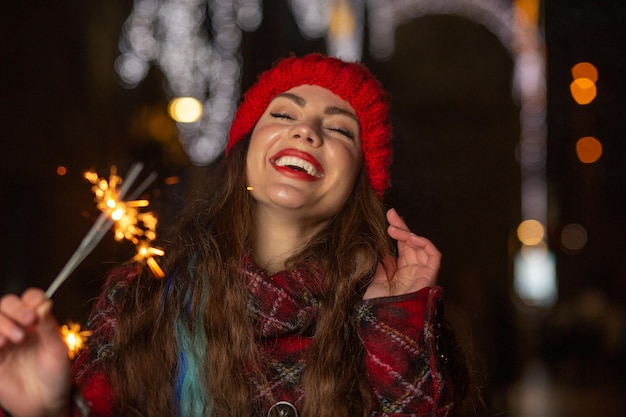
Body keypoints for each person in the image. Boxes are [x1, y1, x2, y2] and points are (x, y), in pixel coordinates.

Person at [0, 53, 473, 417]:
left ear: (361, 182)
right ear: (244, 150)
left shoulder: (381, 314)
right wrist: (45, 408)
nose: (307, 132)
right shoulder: (142, 296)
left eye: (338, 129)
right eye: (284, 115)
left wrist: (399, 323)